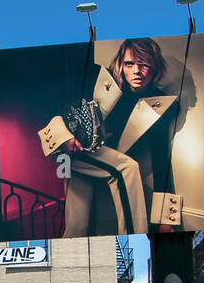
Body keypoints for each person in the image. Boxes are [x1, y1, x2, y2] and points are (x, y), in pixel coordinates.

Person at [45, 37, 183, 238]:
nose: (137, 71)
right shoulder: (100, 79)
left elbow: (161, 160)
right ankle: (136, 235)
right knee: (127, 168)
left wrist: (164, 220)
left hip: (99, 160)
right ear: (121, 64)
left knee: (77, 228)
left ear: (154, 68)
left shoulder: (158, 104)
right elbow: (55, 102)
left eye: (144, 65)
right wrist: (64, 136)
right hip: (74, 150)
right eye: (130, 64)